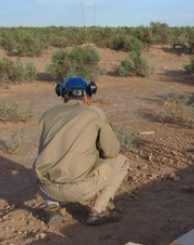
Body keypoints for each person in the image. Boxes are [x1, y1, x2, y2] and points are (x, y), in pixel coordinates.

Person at [33, 76, 129, 226]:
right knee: (121, 161)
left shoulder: (47, 115)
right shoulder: (95, 113)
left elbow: (43, 151)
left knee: (47, 160)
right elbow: (111, 151)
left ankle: (52, 207)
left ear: (62, 94)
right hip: (81, 189)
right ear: (88, 95)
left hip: (46, 188)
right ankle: (98, 211)